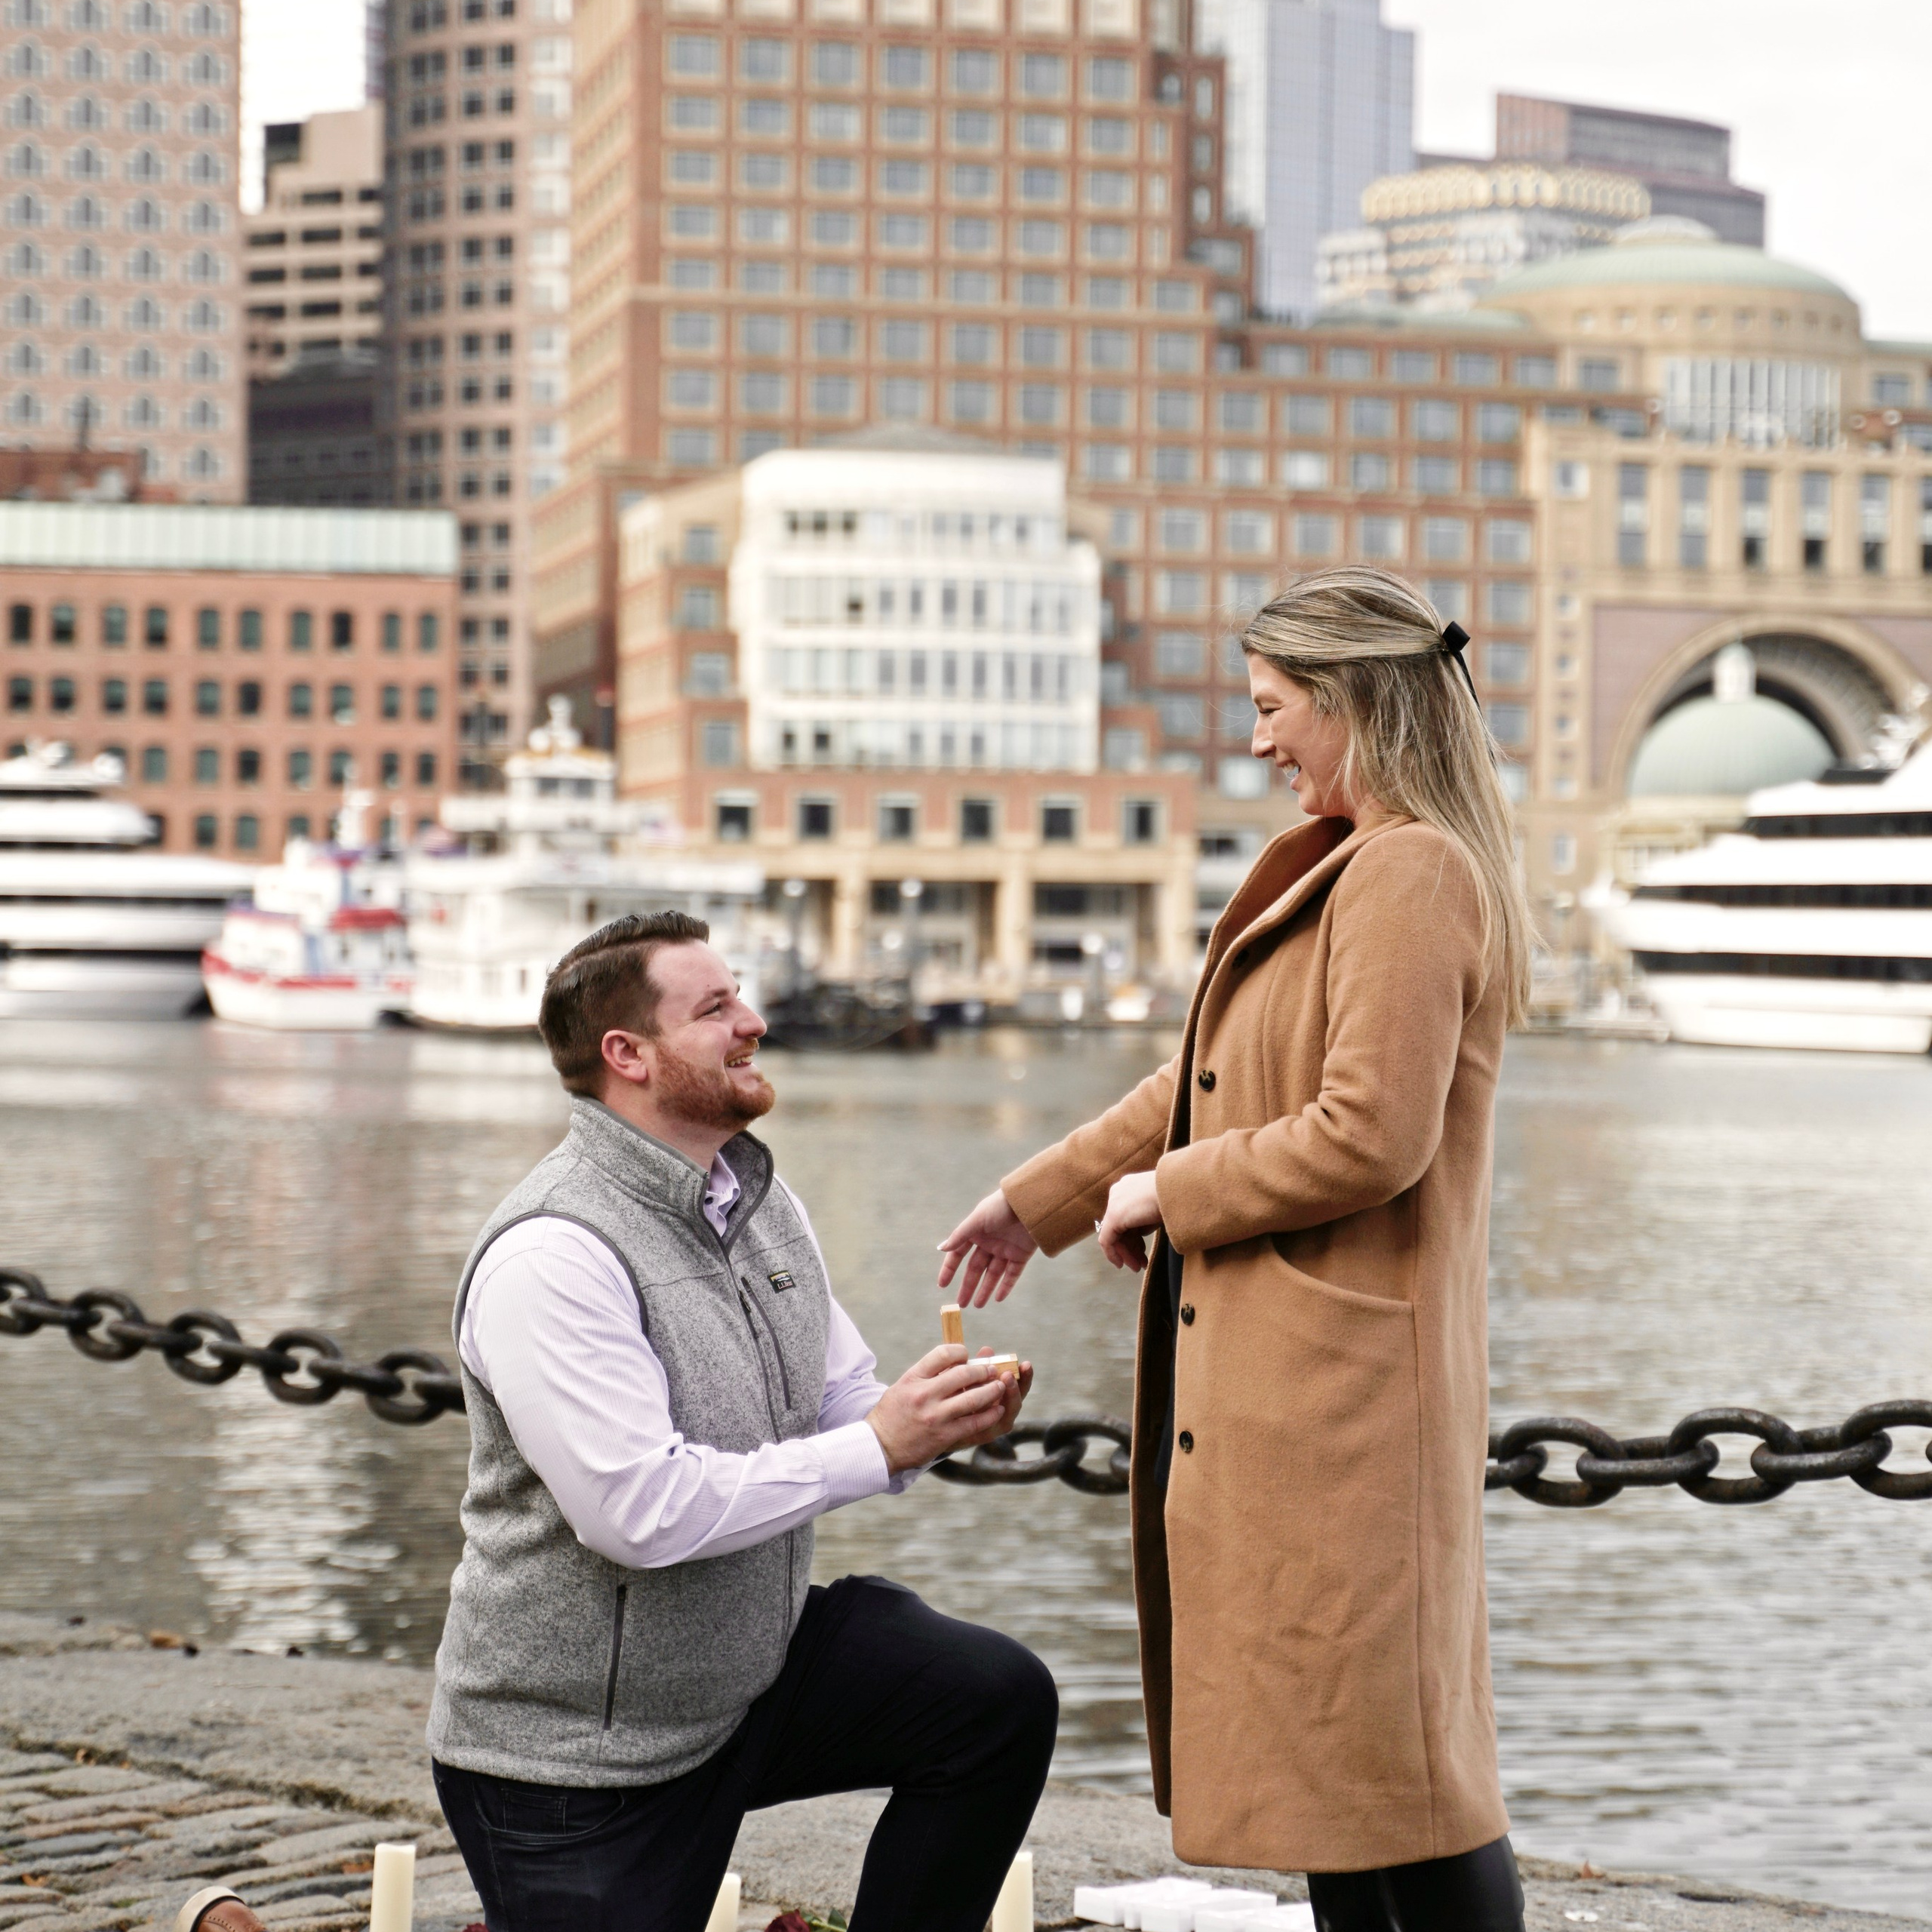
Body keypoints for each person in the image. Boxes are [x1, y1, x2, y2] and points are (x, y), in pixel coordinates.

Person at [939, 567, 1534, 1932]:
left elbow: (1371, 1134)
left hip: (1348, 1406)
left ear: (1352, 704)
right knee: (1329, 1779)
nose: (1258, 740)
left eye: (1274, 709)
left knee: (1405, 1785)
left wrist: (1167, 1197)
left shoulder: (1411, 872)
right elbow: (1208, 1078)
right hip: (1299, 1396)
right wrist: (1039, 1202)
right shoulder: (1346, 861)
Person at [428, 910, 1057, 1932]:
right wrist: (877, 1444)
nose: (753, 1022)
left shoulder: (761, 1202)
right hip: (575, 1763)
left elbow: (845, 1401)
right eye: (716, 1007)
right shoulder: (553, 1253)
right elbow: (637, 1513)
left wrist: (934, 1417)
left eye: (741, 996)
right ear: (627, 1055)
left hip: (746, 1683)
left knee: (994, 1702)